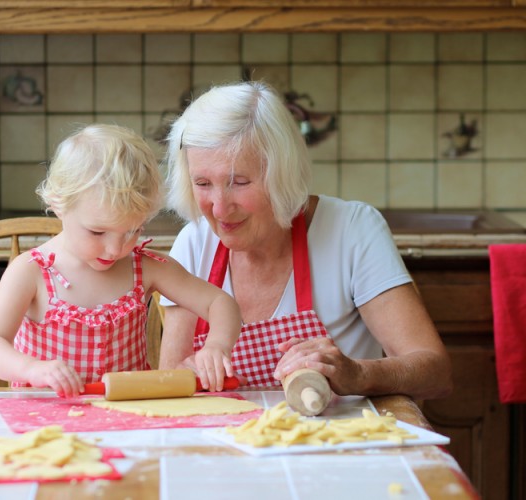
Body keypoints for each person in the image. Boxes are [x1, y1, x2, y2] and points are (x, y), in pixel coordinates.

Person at [159, 81, 452, 401]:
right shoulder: (193, 244)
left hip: (337, 442)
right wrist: (186, 374)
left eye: (239, 182)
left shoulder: (351, 230)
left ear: (281, 173)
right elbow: (168, 383)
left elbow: (435, 374)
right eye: (202, 183)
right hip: (226, 443)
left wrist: (358, 373)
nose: (219, 208)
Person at [0, 124, 241, 397]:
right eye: (98, 232)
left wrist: (216, 346)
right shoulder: (31, 272)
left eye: (132, 231)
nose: (115, 249)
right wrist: (31, 369)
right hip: (46, 421)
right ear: (58, 205)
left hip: (128, 417)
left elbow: (220, 303)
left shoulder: (144, 267)